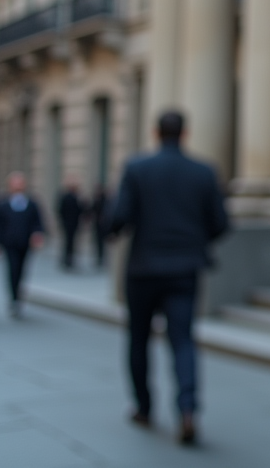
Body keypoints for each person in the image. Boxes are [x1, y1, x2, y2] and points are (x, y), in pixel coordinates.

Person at [110, 110, 229, 445]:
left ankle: (144, 407)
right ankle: (187, 410)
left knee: (138, 338)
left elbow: (119, 217)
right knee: (183, 340)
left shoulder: (137, 168)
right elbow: (221, 223)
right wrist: (195, 240)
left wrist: (112, 231)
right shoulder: (203, 171)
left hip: (143, 268)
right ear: (185, 134)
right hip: (185, 268)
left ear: (155, 133)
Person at [0, 172, 45, 318]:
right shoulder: (3, 203)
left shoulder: (31, 203)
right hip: (9, 243)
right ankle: (13, 298)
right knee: (12, 269)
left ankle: (18, 295)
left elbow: (37, 222)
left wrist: (37, 234)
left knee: (22, 270)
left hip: (24, 243)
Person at [58, 179, 83, 271]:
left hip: (72, 223)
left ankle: (68, 259)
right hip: (69, 223)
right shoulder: (68, 197)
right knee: (68, 242)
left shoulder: (74, 197)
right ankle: (67, 260)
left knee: (70, 242)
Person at [88, 183, 110, 269]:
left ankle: (102, 257)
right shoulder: (96, 199)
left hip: (103, 224)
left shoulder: (105, 200)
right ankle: (99, 257)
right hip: (97, 224)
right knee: (98, 241)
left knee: (102, 241)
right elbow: (92, 210)